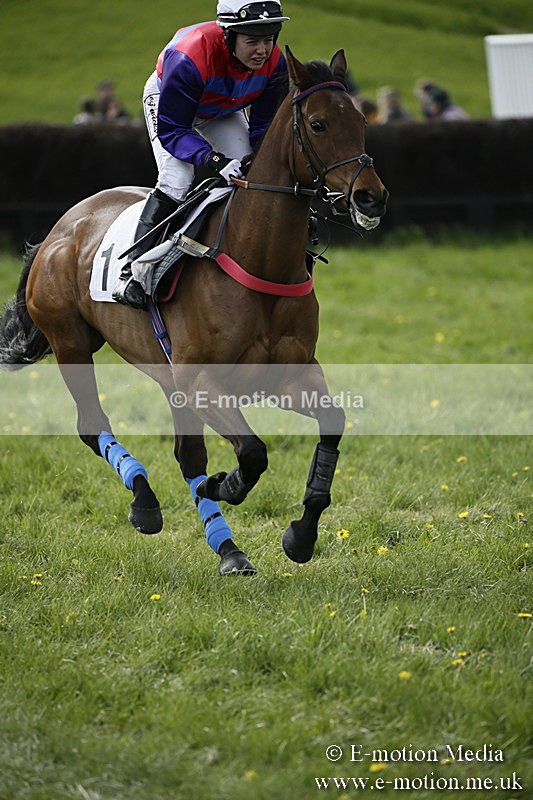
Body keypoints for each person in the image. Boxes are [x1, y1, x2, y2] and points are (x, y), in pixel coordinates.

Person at [113, 0, 290, 308]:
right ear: (228, 36)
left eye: (268, 39)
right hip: (173, 106)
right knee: (177, 177)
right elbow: (174, 131)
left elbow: (263, 127)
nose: (263, 50)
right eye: (252, 42)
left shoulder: (276, 63)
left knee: (251, 171)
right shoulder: (189, 57)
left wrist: (258, 162)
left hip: (222, 109)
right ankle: (132, 270)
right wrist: (214, 160)